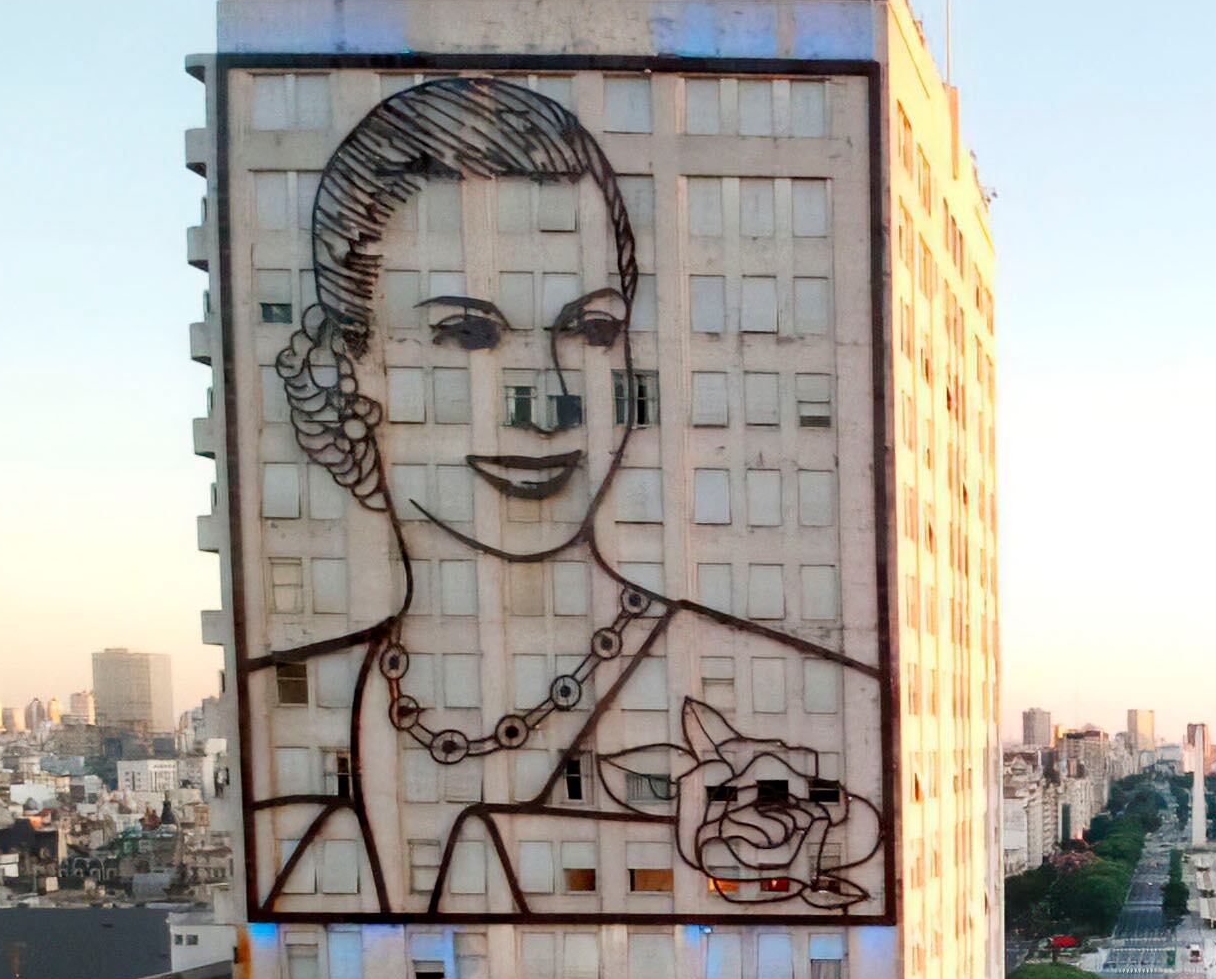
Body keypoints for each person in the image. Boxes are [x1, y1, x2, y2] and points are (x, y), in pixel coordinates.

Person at [237, 75, 881, 918]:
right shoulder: (283, 704)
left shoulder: (821, 690)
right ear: (346, 363)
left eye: (591, 330)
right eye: (468, 333)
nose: (548, 398)